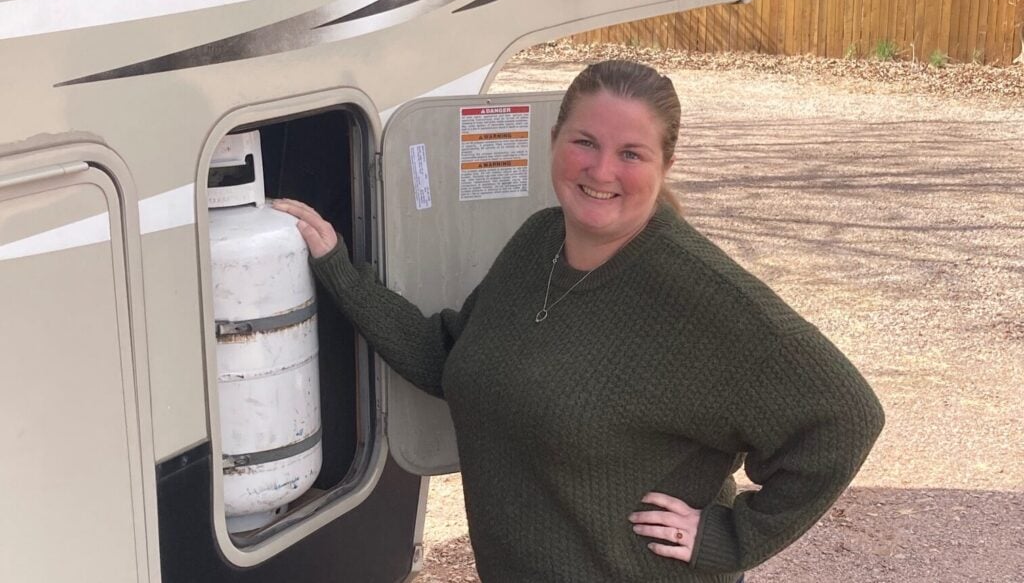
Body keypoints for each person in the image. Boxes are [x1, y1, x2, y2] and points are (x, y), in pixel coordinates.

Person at [273, 60, 884, 583]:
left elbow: (845, 416)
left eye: (631, 153)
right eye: (585, 142)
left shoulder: (698, 291)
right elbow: (451, 360)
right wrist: (339, 270)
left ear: (664, 165)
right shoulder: (540, 239)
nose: (601, 170)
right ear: (554, 142)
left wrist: (732, 536)